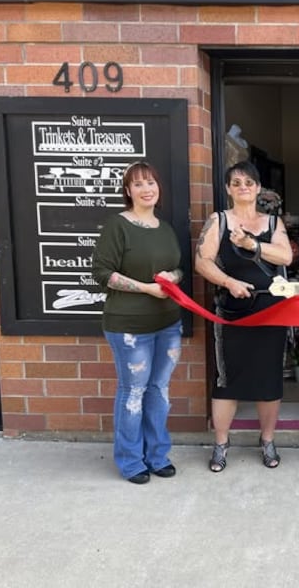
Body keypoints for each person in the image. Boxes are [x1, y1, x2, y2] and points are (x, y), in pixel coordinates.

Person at [194, 161, 293, 472]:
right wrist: (228, 282)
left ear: (258, 187)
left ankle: (267, 441)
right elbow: (202, 262)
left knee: (268, 379)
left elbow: (285, 256)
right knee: (227, 381)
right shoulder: (219, 221)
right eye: (236, 183)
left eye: (249, 182)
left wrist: (252, 244)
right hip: (232, 312)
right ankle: (221, 444)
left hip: (272, 310)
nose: (243, 187)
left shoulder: (273, 223)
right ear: (227, 189)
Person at [91, 161, 184, 485]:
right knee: (133, 392)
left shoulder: (165, 228)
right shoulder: (118, 226)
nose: (147, 189)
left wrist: (173, 277)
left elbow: (177, 267)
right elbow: (101, 274)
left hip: (168, 323)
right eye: (139, 184)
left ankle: (157, 455)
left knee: (159, 391)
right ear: (128, 191)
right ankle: (131, 461)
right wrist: (146, 288)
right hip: (129, 327)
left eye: (151, 183)